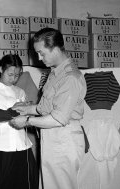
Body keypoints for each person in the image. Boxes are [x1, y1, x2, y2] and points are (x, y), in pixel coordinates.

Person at [10, 28, 87, 189]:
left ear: (56, 48)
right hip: (53, 137)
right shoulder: (55, 73)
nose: (39, 58)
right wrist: (27, 109)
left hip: (63, 138)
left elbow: (58, 118)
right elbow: (45, 108)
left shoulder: (70, 77)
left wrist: (27, 121)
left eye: (42, 53)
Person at [0, 54, 38, 189]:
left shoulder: (20, 91)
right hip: (1, 146)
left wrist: (27, 109)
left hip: (22, 145)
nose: (13, 79)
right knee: (1, 184)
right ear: (1, 69)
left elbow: (25, 117)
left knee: (25, 183)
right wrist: (11, 111)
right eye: (10, 74)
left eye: (17, 75)